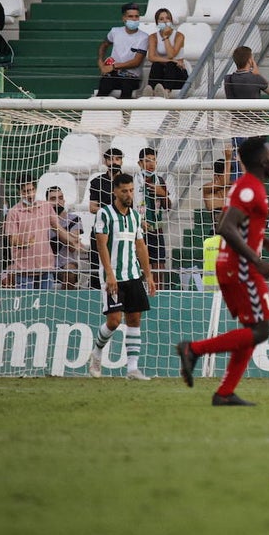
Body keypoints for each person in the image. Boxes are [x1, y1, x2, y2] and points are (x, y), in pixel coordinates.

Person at [177, 138, 269, 404]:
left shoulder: (246, 186)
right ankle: (193, 349)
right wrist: (256, 260)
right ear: (262, 160)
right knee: (260, 330)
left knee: (252, 329)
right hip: (241, 267)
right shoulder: (250, 188)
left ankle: (225, 392)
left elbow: (229, 221)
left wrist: (266, 242)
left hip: (236, 264)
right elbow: (225, 227)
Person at [87, 172, 156, 381]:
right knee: (115, 321)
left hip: (133, 274)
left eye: (132, 190)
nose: (129, 194)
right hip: (113, 276)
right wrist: (109, 274)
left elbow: (140, 246)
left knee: (134, 319)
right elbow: (101, 244)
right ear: (115, 191)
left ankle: (132, 369)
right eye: (125, 190)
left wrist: (149, 275)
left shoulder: (136, 216)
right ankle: (97, 352)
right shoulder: (105, 214)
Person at [3, 174, 55, 289]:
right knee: (25, 305)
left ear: (35, 189)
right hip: (24, 271)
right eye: (26, 191)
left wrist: (71, 239)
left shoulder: (46, 206)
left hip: (46, 268)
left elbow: (58, 228)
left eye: (31, 190)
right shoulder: (13, 212)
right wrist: (26, 244)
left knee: (47, 304)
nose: (30, 195)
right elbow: (12, 240)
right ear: (19, 193)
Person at [135, 147, 170, 291]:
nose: (151, 164)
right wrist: (138, 220)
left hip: (156, 230)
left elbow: (168, 206)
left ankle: (159, 293)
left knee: (159, 266)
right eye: (147, 161)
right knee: (141, 265)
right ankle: (140, 293)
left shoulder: (159, 180)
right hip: (139, 231)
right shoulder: (134, 181)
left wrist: (162, 193)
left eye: (154, 160)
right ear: (140, 163)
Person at [96, 2, 147, 99]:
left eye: (136, 16)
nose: (134, 19)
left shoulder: (144, 37)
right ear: (124, 18)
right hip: (114, 74)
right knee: (103, 90)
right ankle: (97, 114)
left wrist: (113, 66)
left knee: (126, 89)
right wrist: (100, 61)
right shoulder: (115, 31)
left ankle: (124, 114)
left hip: (131, 77)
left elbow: (136, 62)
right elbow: (104, 45)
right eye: (130, 16)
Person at [45, 184, 84, 290]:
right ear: (47, 203)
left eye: (60, 198)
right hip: (44, 265)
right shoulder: (41, 221)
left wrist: (55, 226)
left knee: (69, 270)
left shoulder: (74, 219)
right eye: (53, 199)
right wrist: (68, 236)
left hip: (66, 264)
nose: (58, 201)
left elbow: (72, 246)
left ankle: (65, 304)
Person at [145, 8, 187, 95]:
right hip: (162, 72)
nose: (164, 21)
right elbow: (151, 57)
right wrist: (170, 60)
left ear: (171, 21)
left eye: (167, 18)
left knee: (171, 65)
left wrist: (165, 37)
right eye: (161, 19)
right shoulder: (153, 37)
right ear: (157, 23)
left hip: (177, 74)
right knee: (156, 65)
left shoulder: (179, 36)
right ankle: (151, 91)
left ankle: (166, 92)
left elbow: (171, 55)